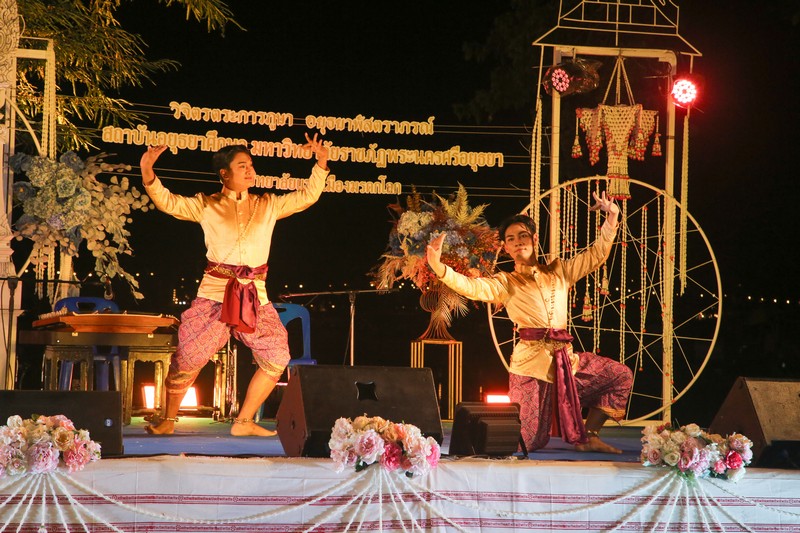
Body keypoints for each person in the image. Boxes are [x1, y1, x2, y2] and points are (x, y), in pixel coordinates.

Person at [139, 133, 329, 436]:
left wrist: (321, 164)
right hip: (215, 293)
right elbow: (168, 202)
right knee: (188, 356)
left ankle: (244, 422)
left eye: (251, 165)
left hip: (255, 295)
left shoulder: (267, 204)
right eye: (242, 166)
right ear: (224, 174)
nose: (250, 170)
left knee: (277, 356)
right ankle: (168, 421)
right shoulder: (207, 205)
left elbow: (307, 196)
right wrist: (148, 170)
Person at [426, 191, 632, 454]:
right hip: (530, 367)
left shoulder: (559, 271)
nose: (517, 242)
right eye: (511, 239)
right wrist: (439, 268)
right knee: (528, 441)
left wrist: (612, 218)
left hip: (566, 362)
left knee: (619, 376)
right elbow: (473, 287)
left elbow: (595, 255)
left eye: (522, 235)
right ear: (506, 247)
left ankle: (589, 435)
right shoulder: (506, 282)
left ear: (534, 239)